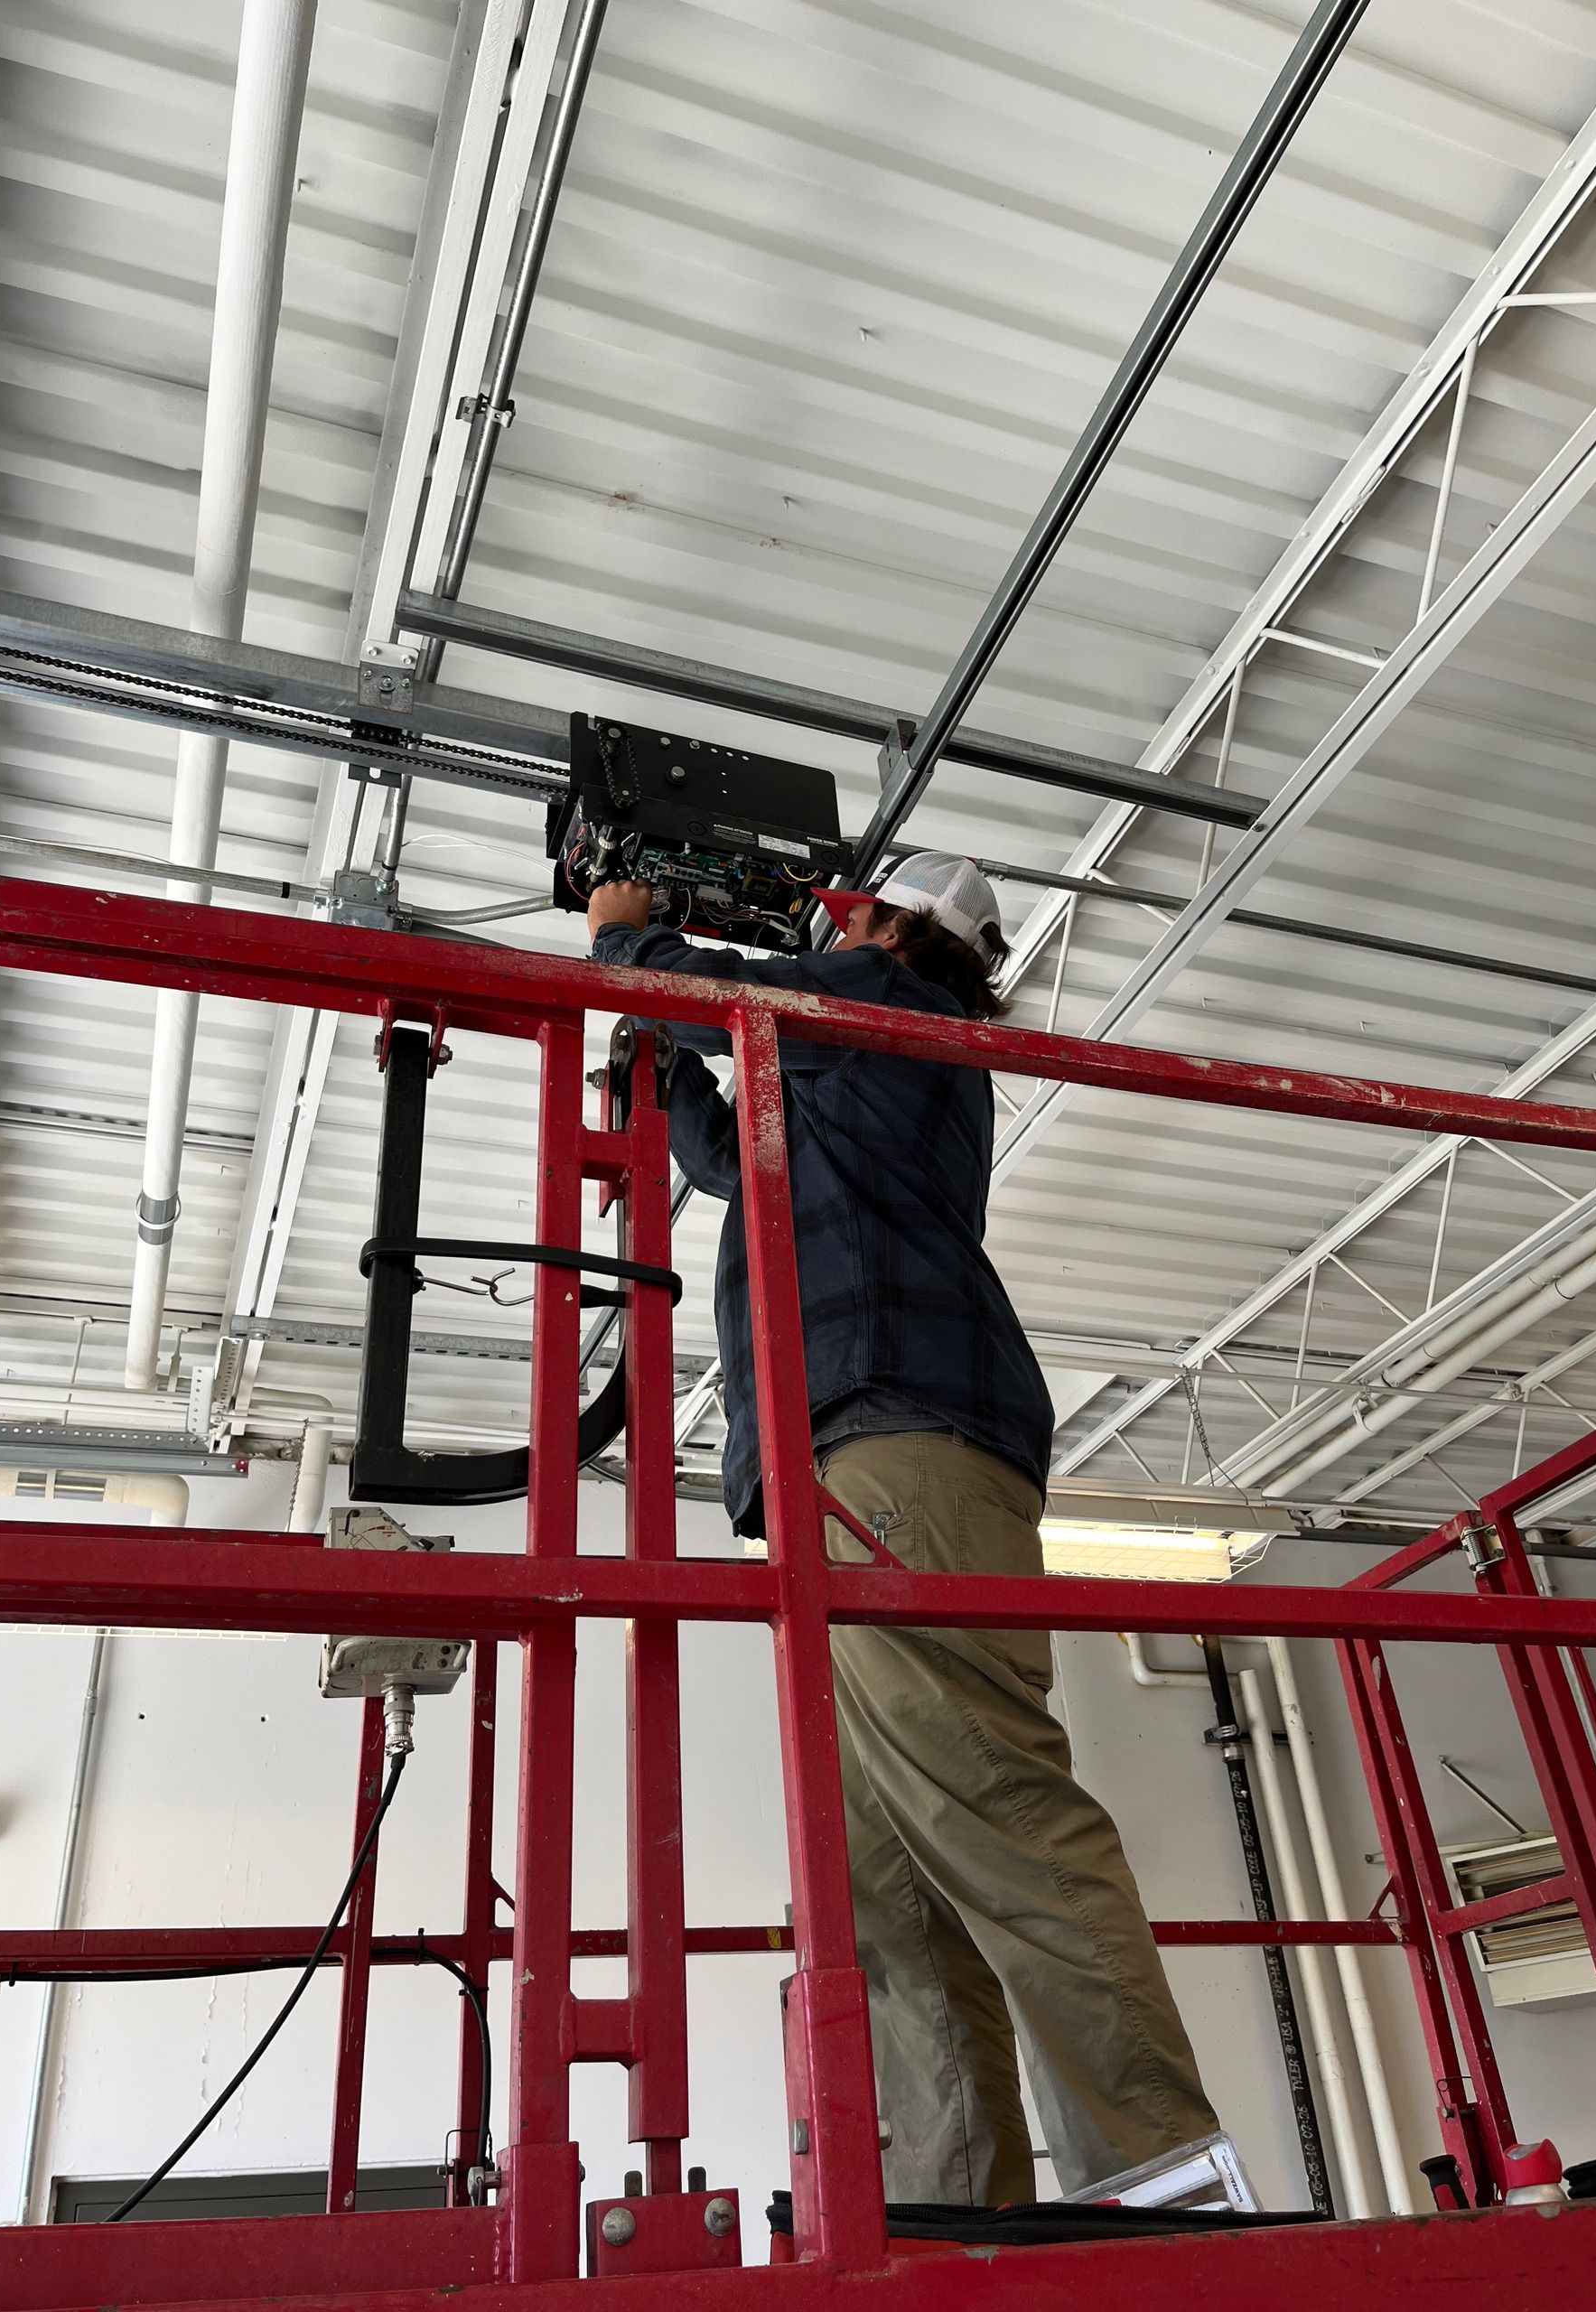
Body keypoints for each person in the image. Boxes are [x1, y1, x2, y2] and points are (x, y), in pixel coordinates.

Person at [587, 851, 1218, 2207]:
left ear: (884, 930)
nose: (838, 931)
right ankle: (951, 2215)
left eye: (846, 920)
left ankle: (1168, 2201)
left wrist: (630, 952)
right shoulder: (843, 1065)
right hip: (838, 1465)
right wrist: (655, 1046)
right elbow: (723, 1145)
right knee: (886, 1889)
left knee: (994, 1811)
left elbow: (738, 999)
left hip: (897, 1448)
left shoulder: (881, 1007)